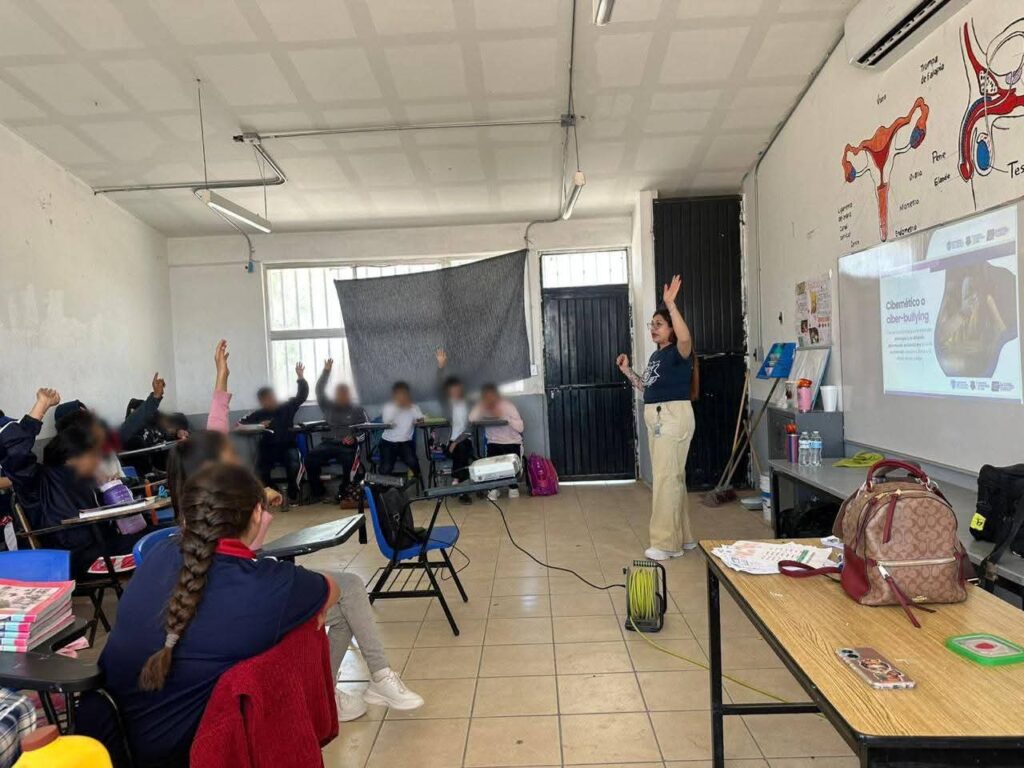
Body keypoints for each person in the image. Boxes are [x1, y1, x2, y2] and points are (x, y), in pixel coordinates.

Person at [98, 464, 420, 766]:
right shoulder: (270, 585)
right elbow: (335, 590)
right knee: (302, 631)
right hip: (192, 751)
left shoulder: (161, 552)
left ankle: (348, 688)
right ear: (257, 514)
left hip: (108, 740)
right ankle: (345, 691)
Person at [0, 389, 147, 577]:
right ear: (71, 457)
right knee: (158, 546)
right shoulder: (37, 482)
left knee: (164, 537)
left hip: (103, 544)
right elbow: (16, 452)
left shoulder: (85, 481)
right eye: (92, 455)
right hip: (77, 557)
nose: (97, 461)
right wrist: (41, 406)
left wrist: (109, 493)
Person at [616, 274, 697, 561]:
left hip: (673, 417)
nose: (653, 328)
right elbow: (645, 386)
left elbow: (686, 337)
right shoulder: (656, 357)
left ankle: (666, 544)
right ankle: (684, 537)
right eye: (652, 324)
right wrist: (627, 371)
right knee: (673, 478)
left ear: (671, 328)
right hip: (658, 417)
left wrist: (671, 305)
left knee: (665, 480)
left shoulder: (679, 352)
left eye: (659, 324)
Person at [239, 364, 309, 500]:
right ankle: (274, 492)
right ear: (261, 401)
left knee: (294, 464)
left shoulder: (286, 406)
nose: (271, 400)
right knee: (259, 470)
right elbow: (239, 425)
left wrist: (301, 378)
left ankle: (293, 493)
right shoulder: (258, 414)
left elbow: (302, 396)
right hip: (268, 447)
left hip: (288, 445)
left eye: (272, 397)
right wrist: (258, 425)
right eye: (266, 399)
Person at [308, 359, 368, 503]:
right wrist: (326, 371)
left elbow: (365, 430)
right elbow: (319, 390)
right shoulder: (328, 405)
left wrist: (354, 438)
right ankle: (318, 492)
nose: (341, 396)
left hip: (347, 445)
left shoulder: (357, 410)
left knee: (349, 460)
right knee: (310, 458)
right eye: (338, 393)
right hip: (328, 443)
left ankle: (343, 492)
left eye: (344, 393)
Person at [469, 383, 524, 500]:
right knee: (491, 463)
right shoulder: (483, 407)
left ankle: (513, 487)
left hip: (511, 441)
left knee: (511, 464)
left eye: (492, 396)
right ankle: (493, 488)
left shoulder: (508, 406)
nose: (490, 399)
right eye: (486, 397)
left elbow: (521, 428)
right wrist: (481, 406)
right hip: (493, 442)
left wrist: (505, 418)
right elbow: (471, 418)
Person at [435, 348, 475, 504]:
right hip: (447, 443)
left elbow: (469, 429)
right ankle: (460, 487)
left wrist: (456, 442)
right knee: (461, 453)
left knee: (462, 449)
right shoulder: (447, 405)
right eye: (452, 390)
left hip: (463, 441)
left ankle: (457, 484)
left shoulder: (468, 405)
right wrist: (441, 367)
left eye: (458, 389)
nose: (455, 392)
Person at [378, 382, 423, 481]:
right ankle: (383, 486)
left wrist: (412, 411)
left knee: (413, 462)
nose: (402, 397)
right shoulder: (389, 407)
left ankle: (415, 478)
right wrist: (399, 408)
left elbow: (420, 420)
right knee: (386, 468)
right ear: (394, 395)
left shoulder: (413, 407)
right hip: (388, 442)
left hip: (405, 442)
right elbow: (387, 422)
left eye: (404, 394)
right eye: (399, 394)